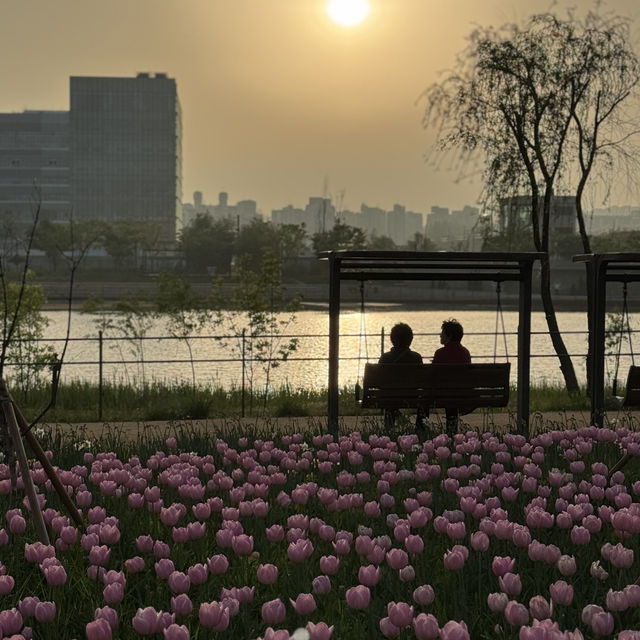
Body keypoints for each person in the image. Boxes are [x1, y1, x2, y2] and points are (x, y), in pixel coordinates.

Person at [379, 323, 424, 430]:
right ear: (411, 339)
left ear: (392, 339)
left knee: (389, 398)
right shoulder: (416, 358)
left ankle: (388, 430)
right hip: (412, 397)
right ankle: (420, 429)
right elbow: (421, 381)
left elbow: (380, 382)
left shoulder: (385, 358)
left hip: (389, 397)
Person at [432, 318, 471, 434]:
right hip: (461, 394)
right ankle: (452, 433)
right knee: (453, 394)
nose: (440, 335)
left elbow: (433, 376)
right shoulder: (465, 353)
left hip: (443, 395)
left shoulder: (440, 353)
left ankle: (422, 429)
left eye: (442, 333)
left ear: (449, 336)